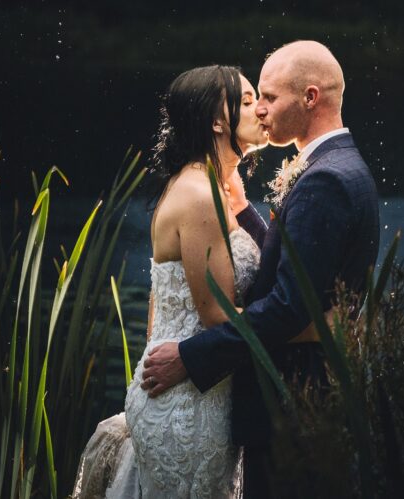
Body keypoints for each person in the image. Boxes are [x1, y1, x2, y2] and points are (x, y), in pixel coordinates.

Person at [140, 40, 381, 498]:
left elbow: (290, 304)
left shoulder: (324, 180)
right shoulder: (338, 167)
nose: (262, 110)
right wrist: (247, 211)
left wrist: (191, 358)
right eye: (253, 100)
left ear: (310, 98)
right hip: (295, 401)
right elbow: (291, 266)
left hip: (294, 405)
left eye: (267, 97)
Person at [72, 65, 268, 498]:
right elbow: (216, 315)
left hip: (198, 388)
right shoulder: (200, 195)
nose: (262, 109)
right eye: (250, 100)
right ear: (218, 121)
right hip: (189, 403)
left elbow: (163, 299)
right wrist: (296, 326)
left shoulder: (213, 187)